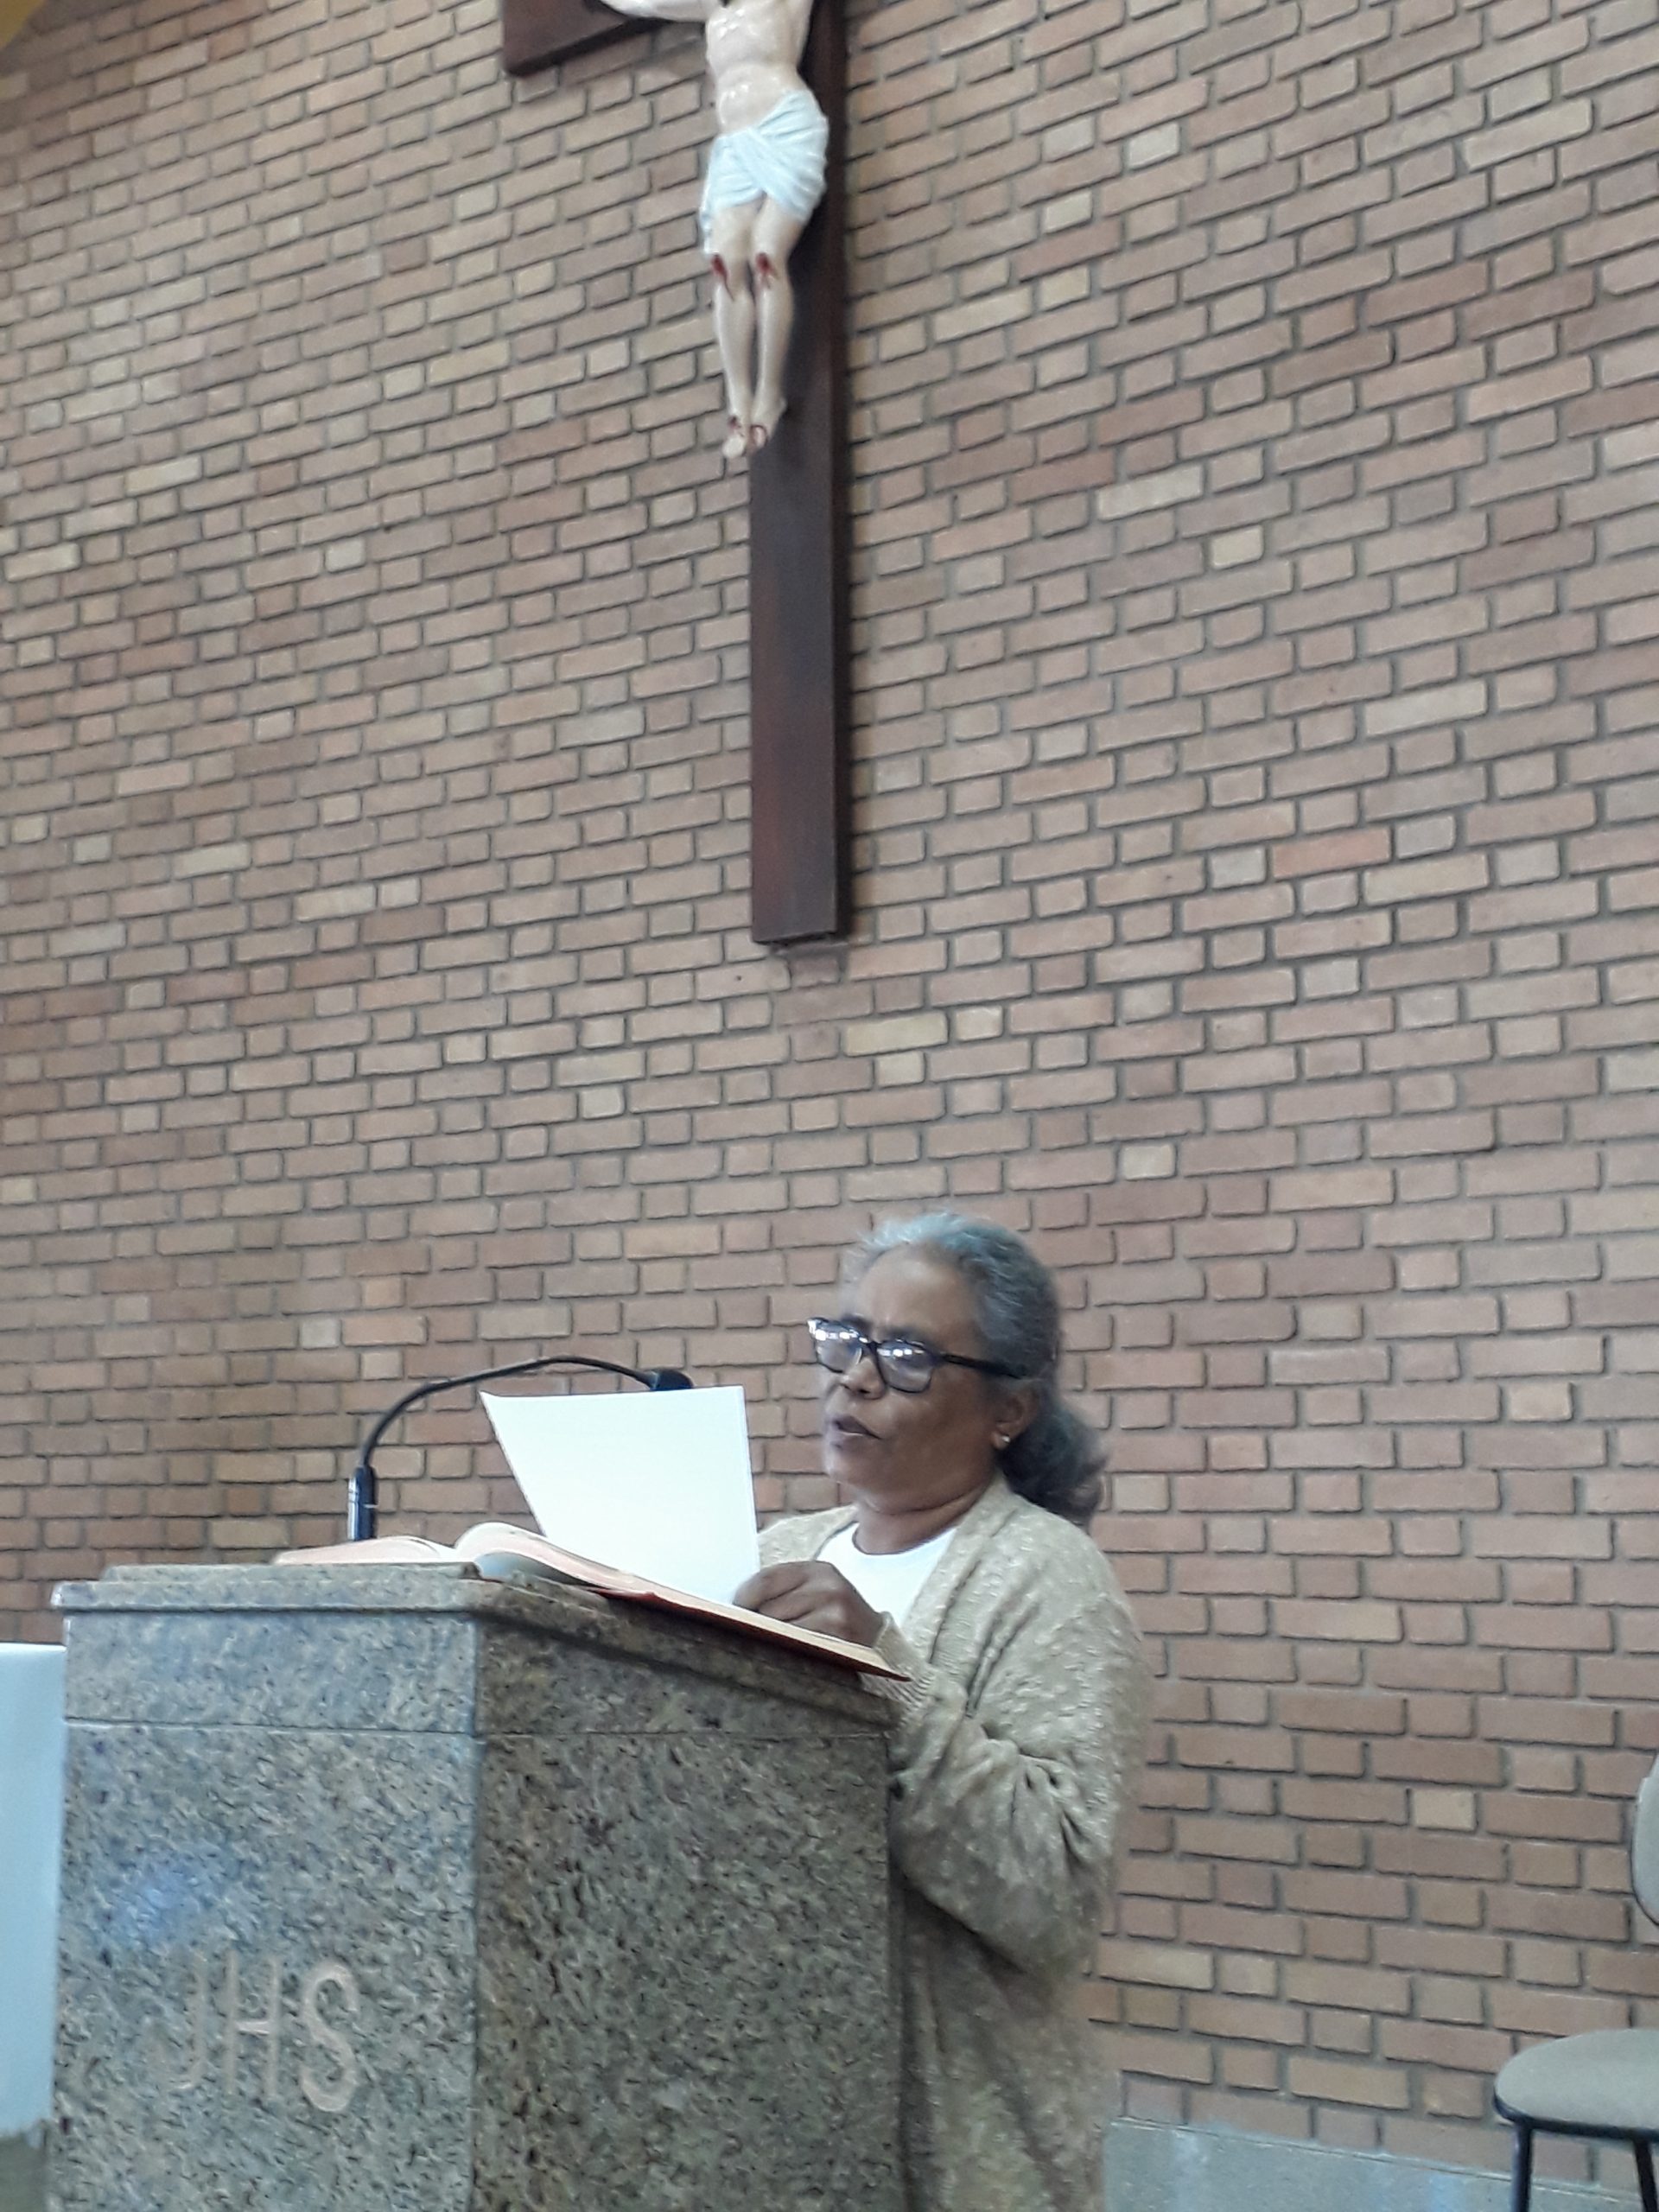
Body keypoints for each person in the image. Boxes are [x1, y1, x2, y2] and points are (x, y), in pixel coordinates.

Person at [735, 1213, 1150, 2212]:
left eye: (909, 1357)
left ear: (1009, 1408)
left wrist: (883, 1676)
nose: (856, 1378)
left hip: (955, 2140)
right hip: (762, 2112)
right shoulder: (776, 1552)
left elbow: (1054, 1894)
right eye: (847, 1338)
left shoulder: (1051, 1582)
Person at [603, 0, 827, 461]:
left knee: (766, 253)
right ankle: (738, 401)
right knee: (726, 261)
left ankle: (769, 394)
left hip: (784, 127)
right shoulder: (709, 8)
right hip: (735, 146)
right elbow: (642, 2)